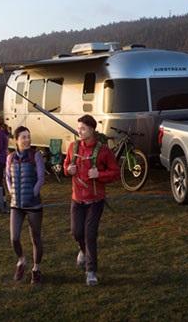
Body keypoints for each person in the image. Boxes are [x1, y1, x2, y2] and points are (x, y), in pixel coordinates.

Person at [63, 115, 120, 286]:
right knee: (76, 232)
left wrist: (99, 175)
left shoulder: (103, 151)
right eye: (78, 128)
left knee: (90, 234)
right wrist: (68, 170)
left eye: (83, 129)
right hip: (77, 199)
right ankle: (83, 251)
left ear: (92, 130)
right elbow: (66, 167)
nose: (79, 131)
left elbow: (115, 173)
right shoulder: (73, 147)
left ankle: (91, 271)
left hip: (95, 201)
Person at [6, 126, 45, 284]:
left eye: (28, 136)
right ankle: (21, 260)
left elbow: (41, 178)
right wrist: (12, 192)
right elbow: (7, 177)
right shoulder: (10, 157)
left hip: (34, 205)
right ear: (16, 140)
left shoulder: (36, 156)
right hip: (16, 205)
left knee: (35, 238)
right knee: (14, 238)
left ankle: (36, 269)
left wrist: (34, 193)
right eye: (23, 137)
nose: (27, 139)